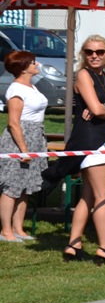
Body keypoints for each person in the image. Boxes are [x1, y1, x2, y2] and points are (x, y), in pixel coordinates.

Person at [49, 35, 105, 264]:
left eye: (100, 52)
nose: (94, 56)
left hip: (98, 137)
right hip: (88, 139)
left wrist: (104, 107)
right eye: (89, 52)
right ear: (83, 54)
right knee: (104, 195)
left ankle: (73, 245)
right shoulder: (83, 75)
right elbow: (98, 109)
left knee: (89, 194)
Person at [0, 51, 48, 243]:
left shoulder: (32, 86)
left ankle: (18, 228)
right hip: (19, 139)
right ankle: (5, 231)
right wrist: (24, 150)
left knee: (24, 187)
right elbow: (14, 123)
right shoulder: (16, 90)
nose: (36, 64)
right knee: (11, 186)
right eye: (32, 62)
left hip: (35, 136)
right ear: (23, 67)